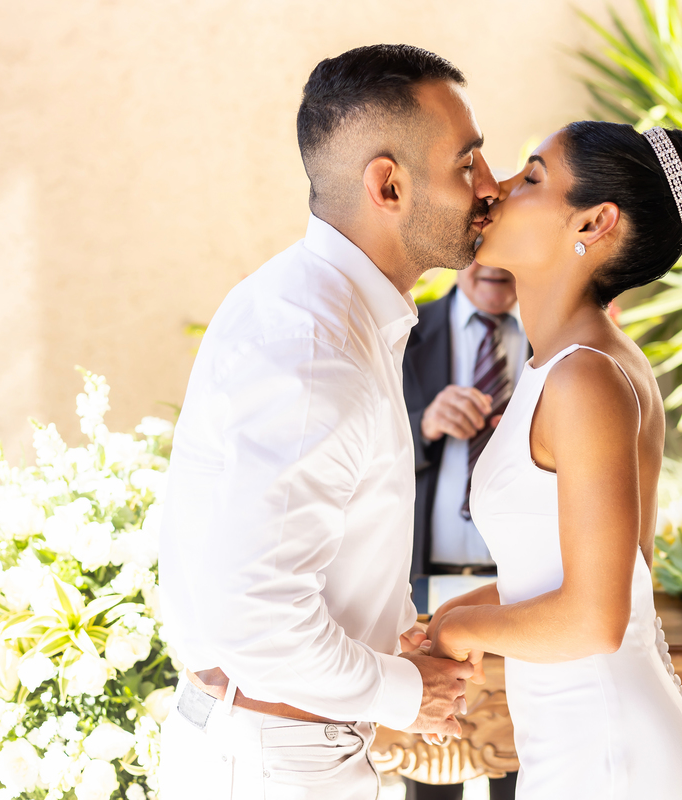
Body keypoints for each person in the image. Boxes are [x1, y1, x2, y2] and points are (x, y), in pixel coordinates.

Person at [158, 44, 500, 799]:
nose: (490, 186)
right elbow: (258, 618)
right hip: (278, 757)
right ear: (389, 184)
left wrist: (383, 631)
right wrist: (409, 692)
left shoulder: (329, 311)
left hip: (287, 742)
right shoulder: (314, 348)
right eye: (466, 162)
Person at [427, 121, 682, 799]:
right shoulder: (567, 365)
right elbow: (563, 572)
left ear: (594, 223)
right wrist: (446, 620)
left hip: (604, 747)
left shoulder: (585, 378)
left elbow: (596, 616)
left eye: (532, 177)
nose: (499, 189)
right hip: (580, 733)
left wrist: (465, 626)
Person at [401, 261, 525, 800]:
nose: (495, 266)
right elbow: (355, 453)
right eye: (482, 251)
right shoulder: (405, 331)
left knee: (522, 764)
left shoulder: (555, 342)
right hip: (425, 585)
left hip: (521, 587)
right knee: (430, 771)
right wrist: (424, 423)